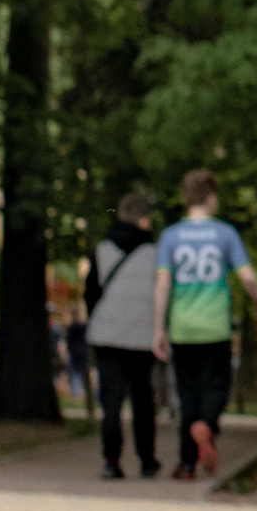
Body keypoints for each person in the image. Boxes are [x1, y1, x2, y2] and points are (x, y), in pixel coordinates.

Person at [153, 173, 257, 481]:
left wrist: (158, 328)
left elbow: (162, 284)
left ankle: (186, 465)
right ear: (210, 197)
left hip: (183, 327)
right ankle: (207, 424)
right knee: (217, 387)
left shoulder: (170, 236)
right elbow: (248, 278)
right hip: (215, 326)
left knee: (187, 394)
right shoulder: (225, 234)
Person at [84, 192, 164, 482]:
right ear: (145, 220)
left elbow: (91, 291)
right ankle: (147, 460)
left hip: (107, 333)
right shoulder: (156, 253)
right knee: (143, 399)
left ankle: (111, 460)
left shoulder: (102, 249)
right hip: (142, 335)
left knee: (112, 401)